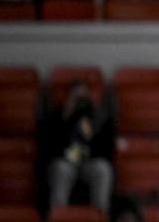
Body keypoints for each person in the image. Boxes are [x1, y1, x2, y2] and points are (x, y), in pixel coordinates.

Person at [48, 81, 114, 212]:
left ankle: (101, 216)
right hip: (67, 162)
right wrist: (65, 118)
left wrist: (92, 129)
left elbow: (107, 149)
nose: (80, 103)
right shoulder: (57, 117)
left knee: (103, 169)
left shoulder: (100, 118)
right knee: (60, 168)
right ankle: (57, 218)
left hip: (90, 162)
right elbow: (50, 148)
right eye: (76, 98)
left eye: (83, 98)